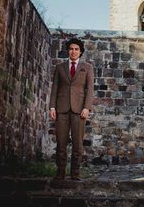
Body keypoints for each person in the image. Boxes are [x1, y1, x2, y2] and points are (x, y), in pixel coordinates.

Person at [49, 38, 94, 181]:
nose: (73, 51)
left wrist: (87, 107)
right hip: (61, 109)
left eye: (76, 49)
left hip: (79, 110)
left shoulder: (87, 67)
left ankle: (75, 173)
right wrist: (52, 107)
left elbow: (90, 89)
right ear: (68, 51)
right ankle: (60, 173)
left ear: (80, 52)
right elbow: (54, 88)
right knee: (61, 142)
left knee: (77, 143)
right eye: (71, 49)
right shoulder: (60, 67)